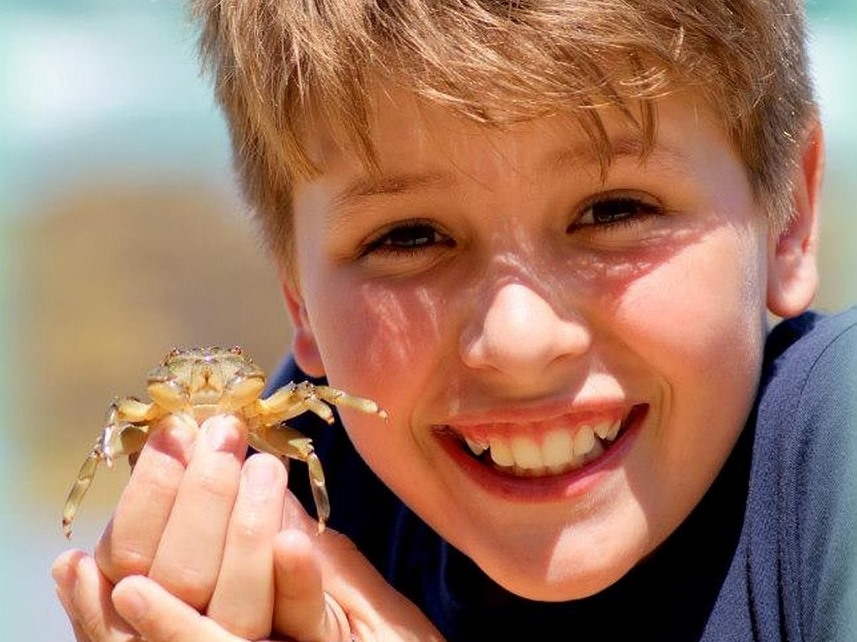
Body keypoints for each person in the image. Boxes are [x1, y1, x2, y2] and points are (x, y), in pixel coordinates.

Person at [52, 0, 857, 640]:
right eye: (409, 237)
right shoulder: (303, 485)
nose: (517, 341)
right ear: (297, 296)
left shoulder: (837, 442)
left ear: (786, 215)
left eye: (614, 210)